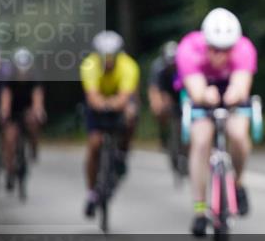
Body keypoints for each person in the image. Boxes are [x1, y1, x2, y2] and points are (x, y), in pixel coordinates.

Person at [176, 8, 257, 237]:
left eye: (226, 49)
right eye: (214, 49)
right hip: (201, 91)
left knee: (239, 135)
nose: (220, 55)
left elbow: (242, 85)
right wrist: (203, 95)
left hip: (231, 92)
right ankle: (200, 209)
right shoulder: (189, 49)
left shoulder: (244, 49)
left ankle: (238, 184)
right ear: (205, 43)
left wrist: (235, 93)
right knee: (201, 141)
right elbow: (195, 89)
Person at [79, 30, 140, 217]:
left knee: (131, 113)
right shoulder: (89, 65)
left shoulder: (129, 66)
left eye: (111, 56)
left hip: (118, 104)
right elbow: (93, 98)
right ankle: (91, 193)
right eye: (104, 57)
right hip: (97, 107)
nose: (108, 61)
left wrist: (114, 104)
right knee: (94, 144)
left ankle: (122, 151)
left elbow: (124, 98)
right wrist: (105, 104)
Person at [0, 47, 45, 186]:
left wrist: (38, 111)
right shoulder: (9, 79)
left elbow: (37, 97)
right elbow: (5, 98)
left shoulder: (34, 78)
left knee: (33, 122)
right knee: (10, 138)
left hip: (27, 109)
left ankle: (34, 147)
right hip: (13, 110)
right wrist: (4, 112)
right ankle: (9, 169)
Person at [148, 40, 186, 173]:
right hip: (165, 92)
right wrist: (157, 105)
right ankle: (163, 135)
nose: (172, 65)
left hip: (182, 92)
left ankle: (185, 144)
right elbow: (154, 90)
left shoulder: (184, 66)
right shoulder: (158, 67)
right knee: (160, 110)